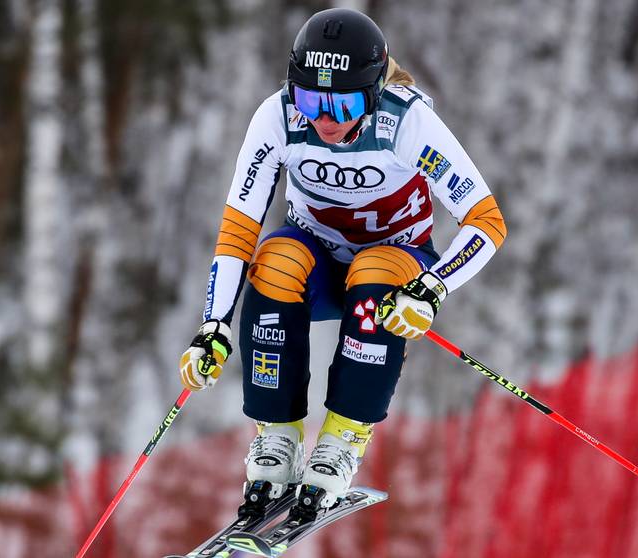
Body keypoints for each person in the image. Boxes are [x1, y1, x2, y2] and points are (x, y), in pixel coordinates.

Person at [178, 7, 506, 510]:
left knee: (372, 273)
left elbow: (486, 221)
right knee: (276, 258)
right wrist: (213, 324)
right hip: (319, 264)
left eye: (345, 103)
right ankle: (277, 439)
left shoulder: (407, 123)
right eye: (310, 98)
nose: (325, 118)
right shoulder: (278, 117)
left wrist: (433, 287)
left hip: (394, 263)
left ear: (372, 93)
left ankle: (341, 441)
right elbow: (239, 227)